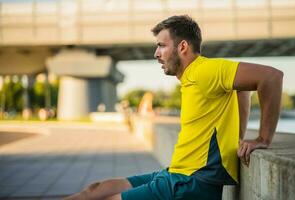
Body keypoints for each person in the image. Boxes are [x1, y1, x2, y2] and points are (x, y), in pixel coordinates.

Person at [64, 15, 283, 200]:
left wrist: (263, 138)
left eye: (161, 45)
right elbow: (242, 89)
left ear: (183, 46)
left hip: (191, 182)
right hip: (176, 173)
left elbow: (271, 77)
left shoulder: (205, 70)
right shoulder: (191, 78)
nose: (156, 54)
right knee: (94, 190)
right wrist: (236, 137)